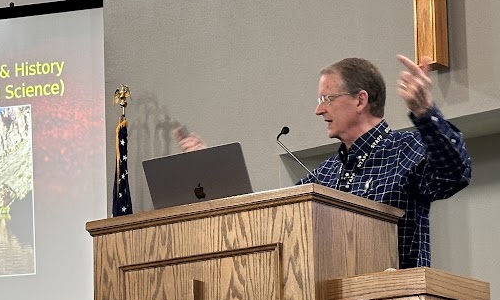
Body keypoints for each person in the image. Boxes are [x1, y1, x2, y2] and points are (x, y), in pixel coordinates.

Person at [179, 55, 470, 269]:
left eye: (326, 98)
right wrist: (210, 170)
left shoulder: (407, 150)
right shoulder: (323, 178)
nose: (319, 110)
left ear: (360, 100)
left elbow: (454, 174)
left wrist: (424, 111)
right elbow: (265, 222)